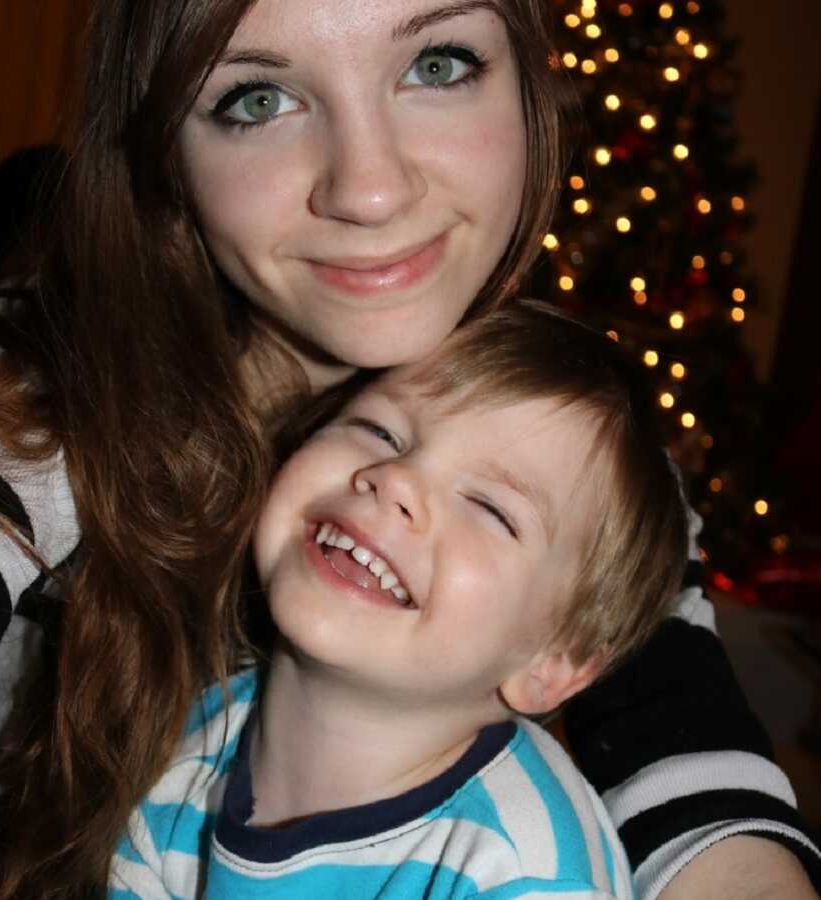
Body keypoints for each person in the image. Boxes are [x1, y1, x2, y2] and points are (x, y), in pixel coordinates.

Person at [0, 1, 817, 898]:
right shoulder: (11, 393)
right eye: (257, 99)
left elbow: (696, 787)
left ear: (532, 88)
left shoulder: (580, 461)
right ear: (163, 152)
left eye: (437, 63)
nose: (369, 191)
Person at [110, 300, 689, 900]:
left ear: (551, 663)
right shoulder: (188, 737)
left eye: (491, 508)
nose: (397, 478)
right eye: (379, 432)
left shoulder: (527, 875)